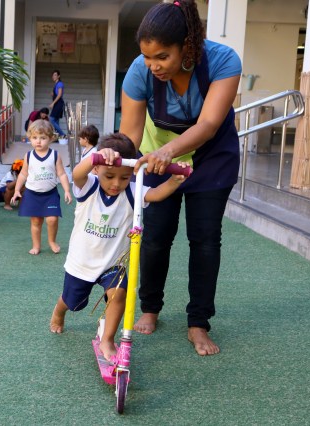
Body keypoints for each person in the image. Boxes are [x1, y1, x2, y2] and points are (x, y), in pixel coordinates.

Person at [118, 0, 242, 356]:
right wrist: (118, 162)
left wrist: (170, 151)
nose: (153, 65)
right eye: (147, 57)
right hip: (157, 160)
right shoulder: (139, 73)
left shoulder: (222, 61)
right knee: (155, 237)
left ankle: (198, 323)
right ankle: (150, 308)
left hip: (210, 157)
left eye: (162, 56)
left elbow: (209, 124)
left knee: (205, 239)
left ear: (187, 46)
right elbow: (130, 133)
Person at [49, 133, 189, 361]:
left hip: (114, 263)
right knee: (73, 302)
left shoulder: (133, 191)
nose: (116, 184)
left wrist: (175, 180)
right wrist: (95, 157)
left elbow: (155, 194)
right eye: (109, 176)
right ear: (96, 170)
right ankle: (59, 310)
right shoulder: (89, 186)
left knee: (118, 295)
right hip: (82, 262)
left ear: (132, 172)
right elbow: (77, 174)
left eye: (124, 177)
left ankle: (108, 339)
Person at [11, 119, 72, 255]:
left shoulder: (55, 155)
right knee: (36, 221)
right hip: (32, 194)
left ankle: (52, 241)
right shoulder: (29, 156)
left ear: (51, 138)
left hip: (50, 194)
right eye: (35, 138)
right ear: (30, 138)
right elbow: (23, 174)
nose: (38, 141)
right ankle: (36, 246)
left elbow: (62, 174)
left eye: (43, 138)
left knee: (52, 219)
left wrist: (67, 190)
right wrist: (16, 190)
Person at [48, 69, 66, 138]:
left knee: (51, 119)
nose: (53, 76)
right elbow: (56, 94)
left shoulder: (60, 84)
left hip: (59, 104)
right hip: (57, 104)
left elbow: (59, 94)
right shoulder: (56, 84)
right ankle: (58, 137)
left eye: (55, 75)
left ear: (58, 76)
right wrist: (53, 95)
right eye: (53, 75)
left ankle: (62, 134)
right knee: (56, 120)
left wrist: (53, 103)